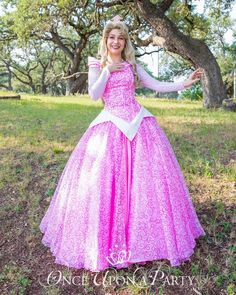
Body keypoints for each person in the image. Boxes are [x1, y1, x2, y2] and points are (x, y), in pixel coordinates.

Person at [39, 15, 206, 272]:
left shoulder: (131, 65)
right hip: (110, 124)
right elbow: (94, 95)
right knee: (106, 182)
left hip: (138, 122)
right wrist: (107, 70)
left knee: (146, 183)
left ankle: (146, 237)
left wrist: (184, 82)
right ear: (106, 39)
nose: (116, 41)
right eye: (111, 37)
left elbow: (155, 85)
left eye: (120, 37)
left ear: (125, 41)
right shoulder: (97, 63)